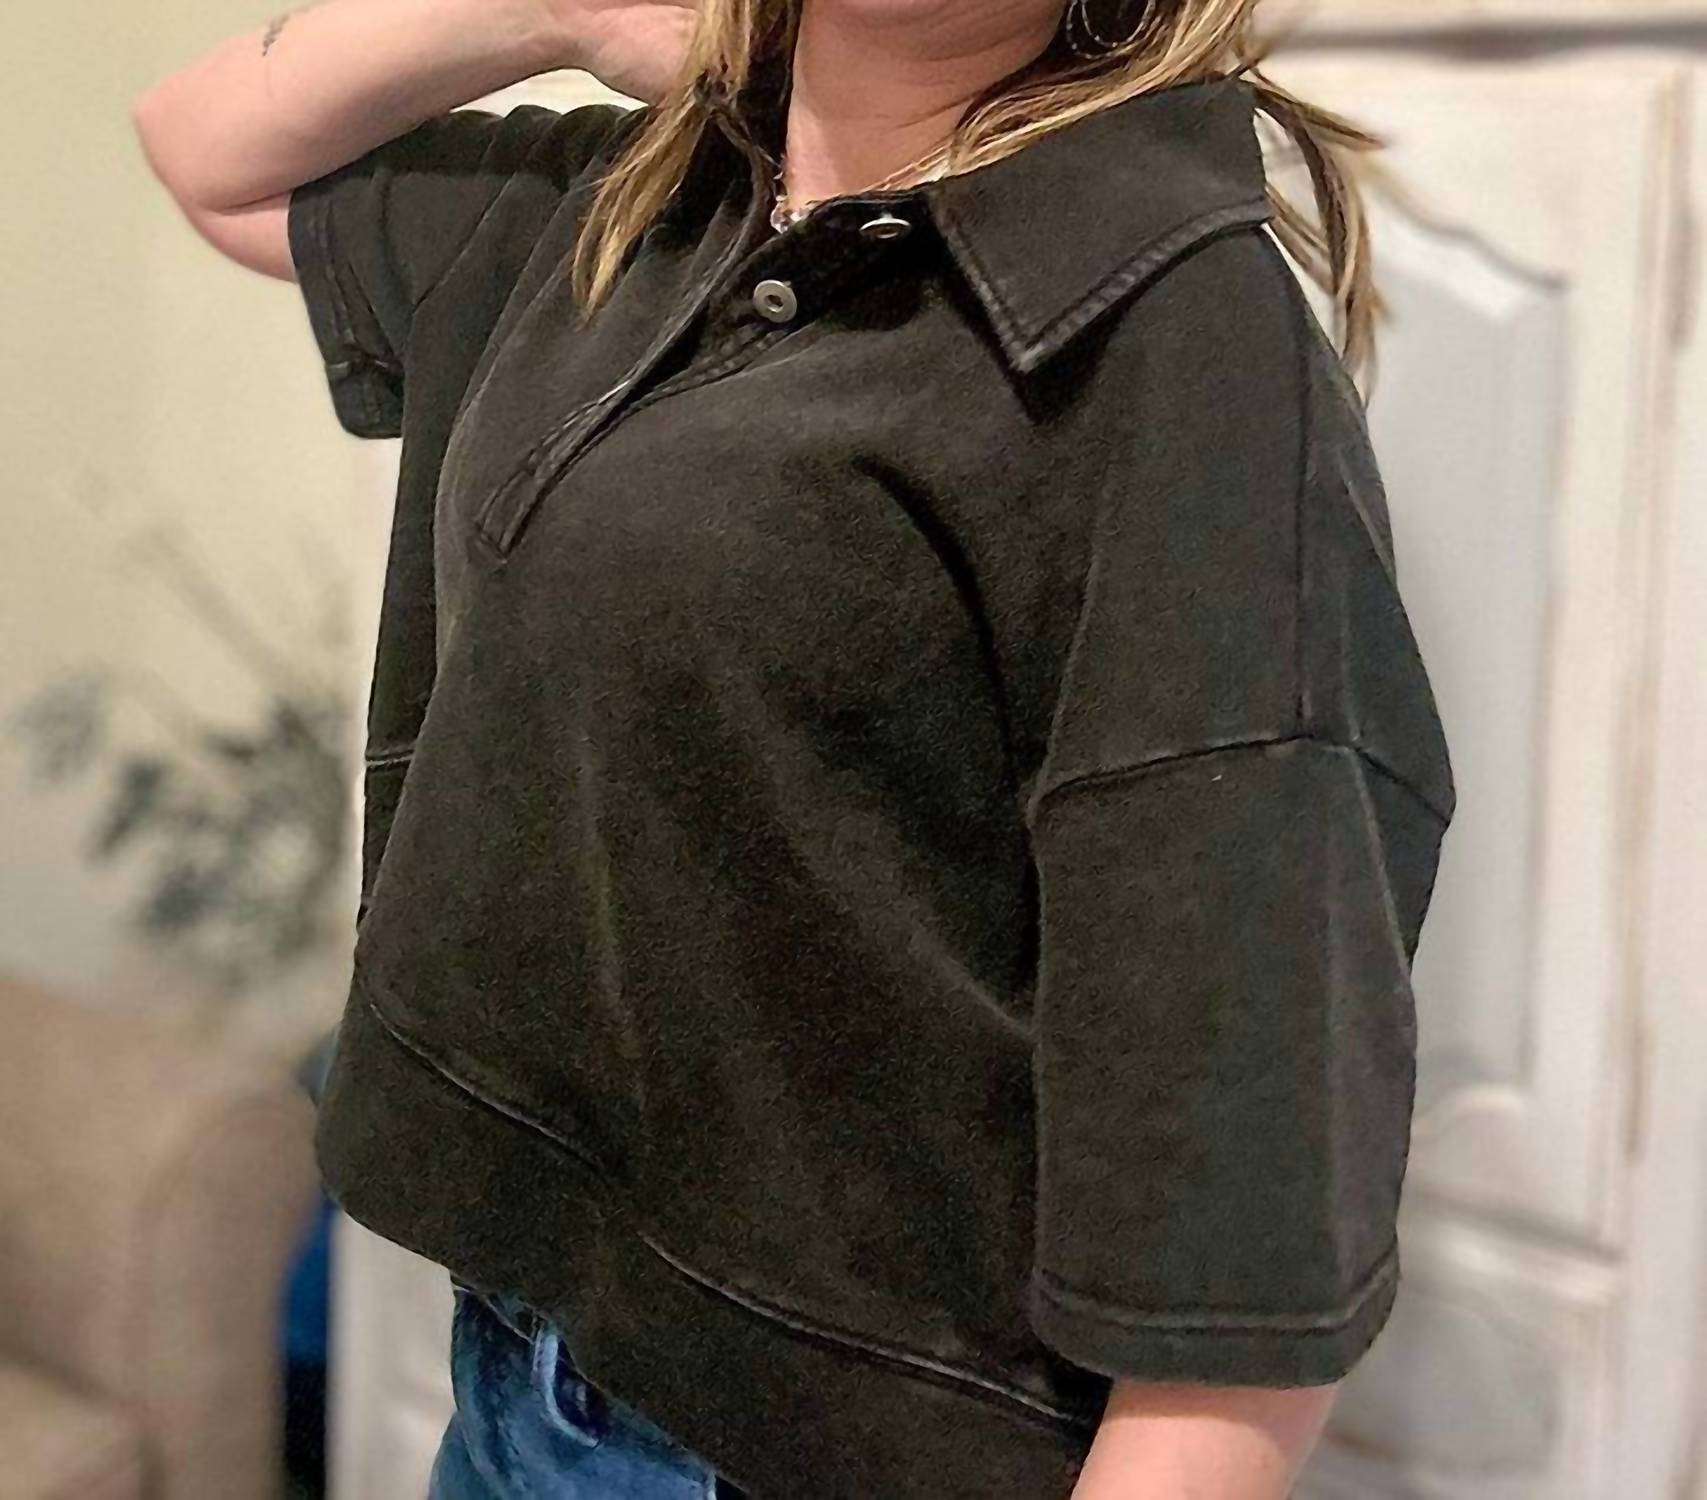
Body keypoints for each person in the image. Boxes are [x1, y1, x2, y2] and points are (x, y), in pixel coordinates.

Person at [133, 0, 1457, 1494]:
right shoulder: (637, 205)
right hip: (520, 1375)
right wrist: (568, 14)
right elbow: (206, 155)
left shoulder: (1177, 340)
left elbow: (1244, 1228)